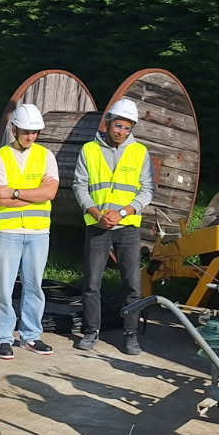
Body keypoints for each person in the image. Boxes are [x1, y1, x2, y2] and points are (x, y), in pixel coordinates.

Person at [75, 98, 155, 355]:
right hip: (97, 224)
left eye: (127, 128)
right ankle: (90, 331)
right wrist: (97, 213)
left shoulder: (140, 152)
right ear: (108, 123)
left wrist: (122, 213)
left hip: (127, 226)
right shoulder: (89, 150)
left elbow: (147, 191)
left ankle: (130, 335)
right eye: (118, 126)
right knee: (91, 283)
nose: (121, 132)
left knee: (133, 284)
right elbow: (80, 186)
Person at [0, 102, 60, 360]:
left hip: (38, 232)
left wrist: (16, 192)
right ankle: (3, 337)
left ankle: (31, 335)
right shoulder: (0, 157)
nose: (31, 136)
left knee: (34, 286)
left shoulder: (46, 156)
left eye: (35, 132)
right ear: (15, 129)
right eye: (27, 131)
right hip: (6, 230)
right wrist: (36, 195)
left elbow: (50, 192)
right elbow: (1, 198)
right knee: (2, 287)